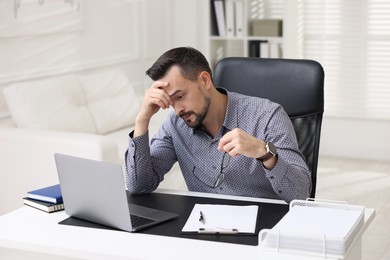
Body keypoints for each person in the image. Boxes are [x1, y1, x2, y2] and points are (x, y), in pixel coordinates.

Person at [125, 47, 311, 203]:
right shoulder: (175, 125)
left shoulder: (268, 116)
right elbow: (138, 186)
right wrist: (142, 120)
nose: (178, 110)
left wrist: (265, 153)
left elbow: (301, 194)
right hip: (202, 231)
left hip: (263, 231)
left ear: (205, 80)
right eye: (170, 102)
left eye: (180, 96)